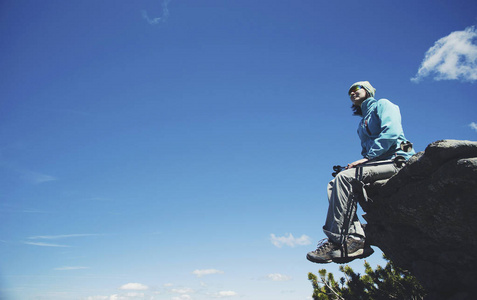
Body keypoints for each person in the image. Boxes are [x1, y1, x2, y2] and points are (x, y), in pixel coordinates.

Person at [306, 81, 415, 264]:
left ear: (368, 91)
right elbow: (367, 153)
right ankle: (354, 235)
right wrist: (361, 163)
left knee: (344, 179)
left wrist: (367, 159)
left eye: (356, 88)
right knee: (334, 184)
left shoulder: (384, 105)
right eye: (349, 92)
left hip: (397, 160)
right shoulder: (361, 124)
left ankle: (343, 240)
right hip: (379, 163)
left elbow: (392, 133)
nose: (352, 92)